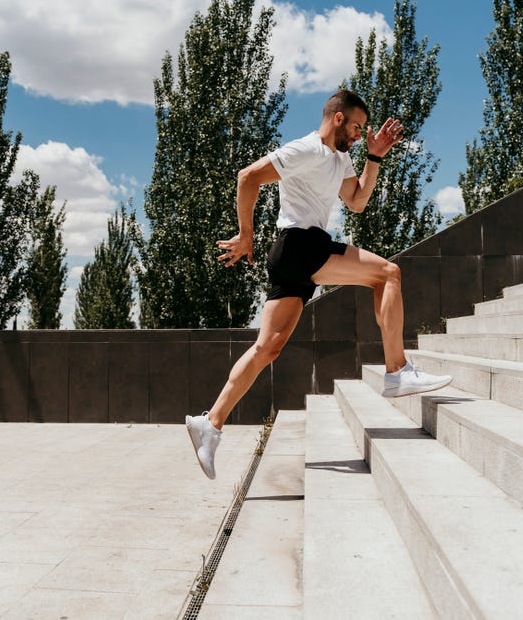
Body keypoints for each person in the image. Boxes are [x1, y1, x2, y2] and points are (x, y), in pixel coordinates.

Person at [186, 90, 452, 479]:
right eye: (358, 127)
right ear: (339, 118)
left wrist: (374, 158)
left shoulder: (340, 158)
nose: (361, 134)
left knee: (268, 348)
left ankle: (209, 424)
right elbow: (248, 176)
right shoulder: (306, 150)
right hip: (301, 244)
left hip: (294, 256)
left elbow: (357, 200)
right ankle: (397, 370)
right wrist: (246, 234)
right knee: (388, 274)